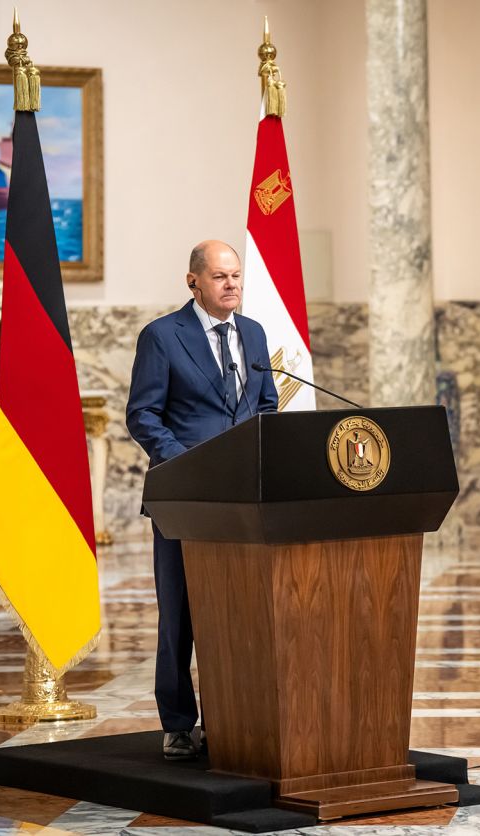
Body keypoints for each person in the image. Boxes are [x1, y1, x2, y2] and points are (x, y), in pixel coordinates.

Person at [126, 240, 279, 758]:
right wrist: (186, 461)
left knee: (235, 613)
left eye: (236, 276)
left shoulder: (254, 333)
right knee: (182, 614)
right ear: (193, 281)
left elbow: (266, 405)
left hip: (242, 501)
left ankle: (228, 716)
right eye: (219, 277)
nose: (231, 284)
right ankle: (176, 722)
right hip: (185, 497)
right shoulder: (163, 337)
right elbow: (142, 415)